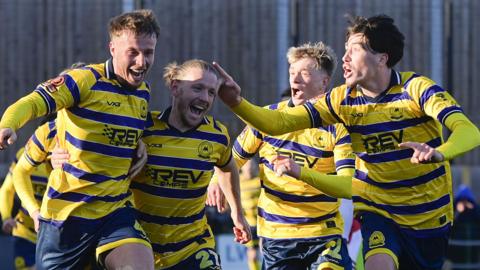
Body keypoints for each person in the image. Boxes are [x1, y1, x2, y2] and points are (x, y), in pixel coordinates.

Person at [213, 14, 480, 270]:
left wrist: (439, 153)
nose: (344, 57)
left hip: (429, 214)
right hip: (378, 209)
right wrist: (235, 101)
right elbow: (277, 123)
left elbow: (469, 132)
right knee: (378, 264)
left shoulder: (416, 89)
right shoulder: (342, 100)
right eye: (344, 50)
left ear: (381, 58)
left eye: (354, 49)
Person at [53, 59, 252, 269]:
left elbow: (227, 166)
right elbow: (96, 145)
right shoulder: (143, 129)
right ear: (175, 87)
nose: (204, 98)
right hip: (140, 246)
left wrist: (236, 213)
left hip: (193, 245)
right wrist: (56, 154)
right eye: (197, 88)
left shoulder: (216, 135)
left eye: (211, 92)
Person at [0, 9, 160, 269]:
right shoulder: (83, 80)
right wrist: (8, 124)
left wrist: (139, 144)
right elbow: (33, 102)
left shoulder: (143, 91)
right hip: (67, 218)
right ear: (112, 48)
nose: (142, 62)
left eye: (149, 52)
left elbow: (123, 129)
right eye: (133, 52)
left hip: (115, 212)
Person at [231, 42, 354, 269]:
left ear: (324, 82)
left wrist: (299, 171)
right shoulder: (268, 117)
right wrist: (233, 209)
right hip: (277, 238)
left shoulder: (338, 128)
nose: (294, 80)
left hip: (324, 235)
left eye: (304, 74)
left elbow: (347, 186)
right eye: (291, 73)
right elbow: (229, 163)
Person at [446, 184, 480, 270]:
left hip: (473, 253)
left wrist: (474, 208)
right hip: (457, 254)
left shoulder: (475, 212)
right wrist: (457, 212)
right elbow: (449, 228)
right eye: (461, 201)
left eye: (466, 201)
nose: (464, 204)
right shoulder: (453, 212)